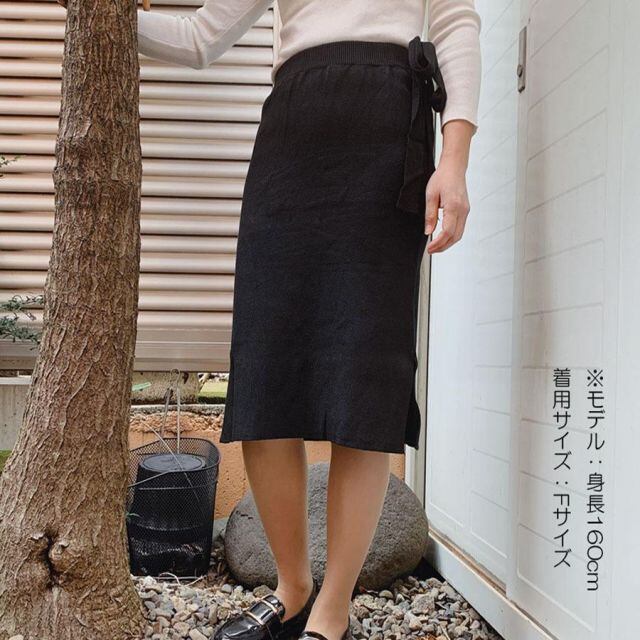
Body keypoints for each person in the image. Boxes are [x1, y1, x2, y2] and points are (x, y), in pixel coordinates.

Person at [59, 1, 481, 639]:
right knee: (263, 365)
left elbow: (454, 23)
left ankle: (333, 610)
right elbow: (200, 37)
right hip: (291, 137)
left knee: (364, 372)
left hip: (387, 129)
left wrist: (454, 160)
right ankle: (291, 587)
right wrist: (101, 9)